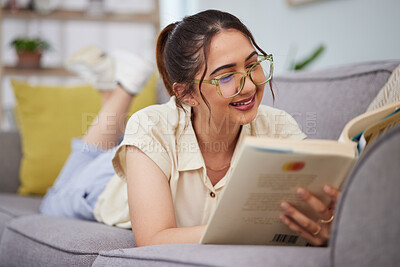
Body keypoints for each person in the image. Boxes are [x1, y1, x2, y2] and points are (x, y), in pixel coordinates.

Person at [41, 9, 339, 247]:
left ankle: (113, 87)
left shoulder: (279, 128)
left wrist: (326, 226)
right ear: (186, 94)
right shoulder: (150, 126)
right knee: (56, 195)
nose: (249, 85)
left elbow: (315, 217)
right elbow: (153, 238)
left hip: (151, 157)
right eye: (225, 77)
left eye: (252, 65)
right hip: (106, 186)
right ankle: (122, 88)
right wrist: (251, 228)